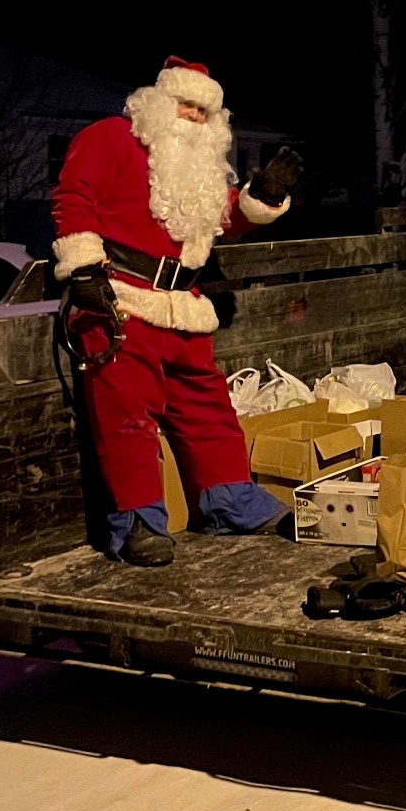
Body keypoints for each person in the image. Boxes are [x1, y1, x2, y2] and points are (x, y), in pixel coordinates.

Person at [51, 56, 302, 567]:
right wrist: (83, 270)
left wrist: (261, 198)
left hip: (183, 306)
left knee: (207, 405)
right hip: (122, 299)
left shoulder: (199, 165)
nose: (193, 116)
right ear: (160, 101)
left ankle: (229, 499)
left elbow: (219, 215)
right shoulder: (109, 138)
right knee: (127, 418)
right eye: (186, 105)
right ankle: (138, 521)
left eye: (203, 111)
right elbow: (74, 197)